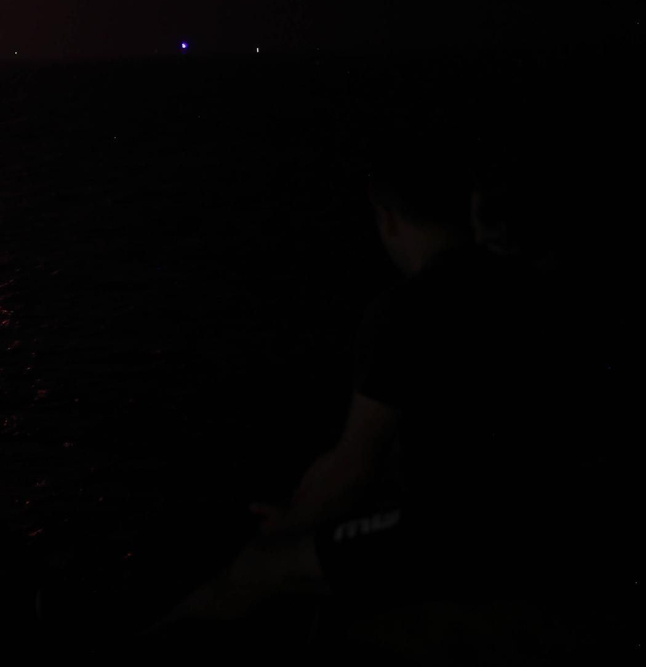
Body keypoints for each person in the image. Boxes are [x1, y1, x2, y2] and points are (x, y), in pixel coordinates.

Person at [165, 135, 592, 644]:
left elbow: (353, 466)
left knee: (257, 571)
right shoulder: (530, 288)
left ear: (387, 217)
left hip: (460, 537)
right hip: (543, 525)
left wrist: (288, 528)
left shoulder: (408, 311)